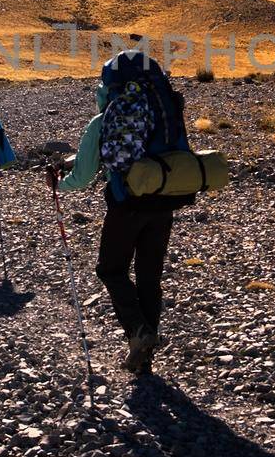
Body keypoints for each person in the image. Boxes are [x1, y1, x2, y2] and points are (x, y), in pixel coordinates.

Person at [47, 50, 192, 373]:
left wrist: (59, 185)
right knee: (149, 278)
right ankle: (144, 356)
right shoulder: (166, 109)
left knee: (111, 270)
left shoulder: (106, 117)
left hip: (127, 204)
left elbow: (83, 176)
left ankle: (138, 333)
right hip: (165, 200)